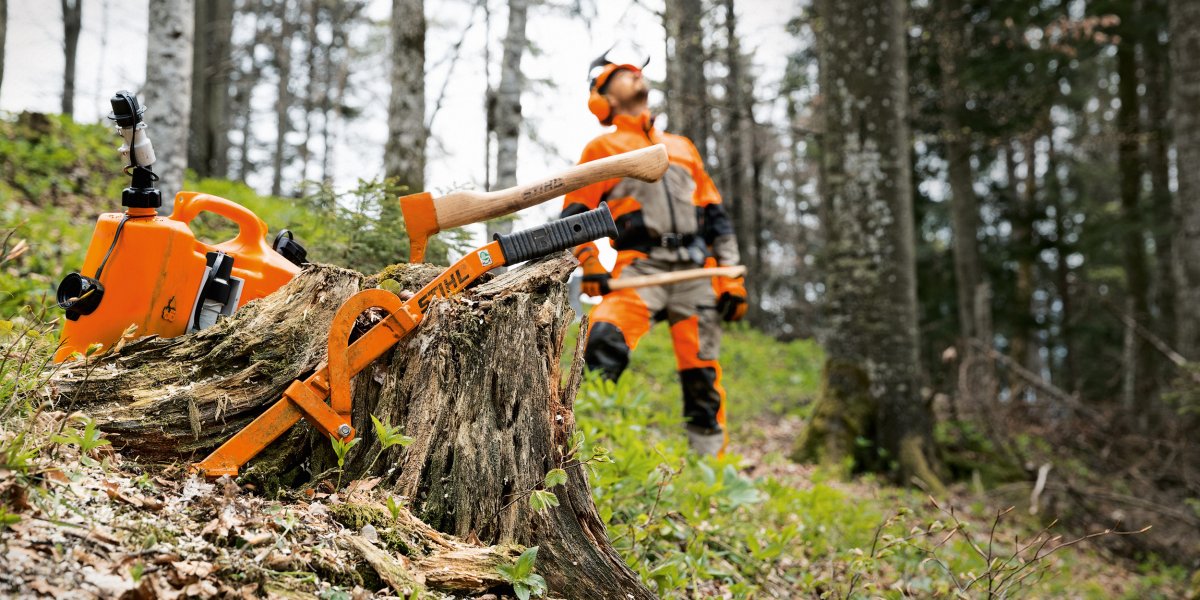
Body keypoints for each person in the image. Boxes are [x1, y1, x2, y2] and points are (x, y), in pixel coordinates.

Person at [561, 51, 748, 456]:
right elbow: (574, 215)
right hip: (639, 270)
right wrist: (590, 263)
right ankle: (580, 447)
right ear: (602, 99)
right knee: (603, 340)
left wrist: (730, 278)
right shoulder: (603, 148)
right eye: (620, 76)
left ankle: (710, 466)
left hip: (694, 274)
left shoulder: (682, 147)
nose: (633, 76)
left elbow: (717, 218)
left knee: (702, 374)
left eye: (635, 72)